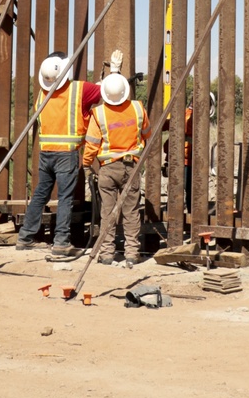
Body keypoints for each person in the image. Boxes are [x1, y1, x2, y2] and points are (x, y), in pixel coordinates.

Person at [15, 51, 108, 262]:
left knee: (41, 194)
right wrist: (114, 73)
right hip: (67, 154)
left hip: (46, 153)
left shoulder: (42, 94)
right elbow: (105, 92)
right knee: (65, 198)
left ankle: (25, 236)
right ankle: (61, 242)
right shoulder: (79, 89)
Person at [82, 72, 150, 268]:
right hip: (131, 167)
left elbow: (92, 144)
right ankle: (131, 253)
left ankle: (107, 254)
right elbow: (147, 134)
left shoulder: (99, 113)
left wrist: (87, 164)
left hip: (108, 169)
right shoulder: (138, 108)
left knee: (108, 211)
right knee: (131, 212)